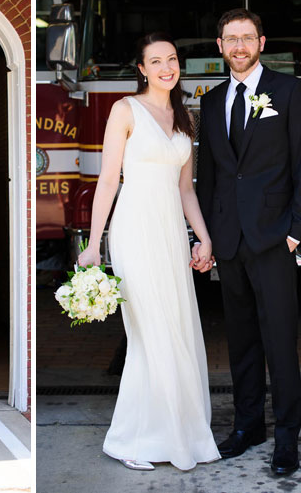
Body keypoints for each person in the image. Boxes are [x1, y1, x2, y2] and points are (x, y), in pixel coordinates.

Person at [77, 32, 220, 472]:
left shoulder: (185, 117)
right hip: (134, 230)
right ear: (141, 69)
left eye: (172, 59)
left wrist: (203, 236)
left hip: (170, 234)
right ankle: (133, 441)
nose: (165, 67)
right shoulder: (125, 110)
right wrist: (93, 243)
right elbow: (107, 181)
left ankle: (179, 433)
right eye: (155, 61)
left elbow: (186, 190)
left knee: (177, 330)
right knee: (150, 334)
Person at [196, 8, 301, 475]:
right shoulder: (210, 102)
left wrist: (295, 231)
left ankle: (286, 437)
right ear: (220, 45)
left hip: (273, 238)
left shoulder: (290, 92)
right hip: (228, 241)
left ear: (262, 43)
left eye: (248, 38)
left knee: (280, 342)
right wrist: (205, 237)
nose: (240, 46)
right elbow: (210, 176)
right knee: (242, 342)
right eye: (232, 39)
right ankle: (248, 426)